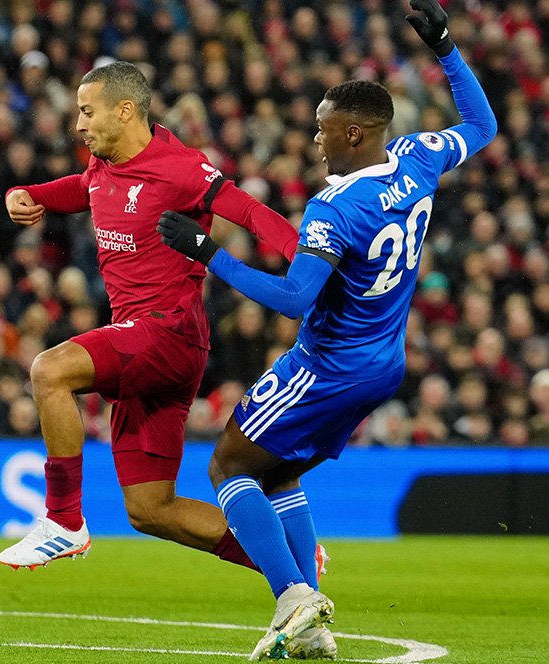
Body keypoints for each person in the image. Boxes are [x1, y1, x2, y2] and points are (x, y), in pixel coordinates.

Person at [156, 2, 495, 658]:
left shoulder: (336, 207)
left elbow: (292, 298)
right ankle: (311, 633)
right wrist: (447, 48)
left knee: (227, 465)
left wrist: (208, 251)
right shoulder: (418, 157)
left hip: (327, 364)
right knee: (278, 474)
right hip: (382, 364)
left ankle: (292, 594)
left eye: (322, 129)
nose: (314, 140)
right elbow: (481, 123)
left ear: (352, 134)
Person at [0, 61, 300, 579]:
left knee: (50, 370)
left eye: (87, 112)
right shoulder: (104, 165)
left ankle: (63, 519)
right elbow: (83, 188)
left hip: (167, 331)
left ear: (125, 109)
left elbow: (250, 212)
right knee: (150, 509)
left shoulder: (181, 168)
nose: (78, 124)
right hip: (150, 348)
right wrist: (31, 196)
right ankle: (293, 566)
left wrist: (311, 262)